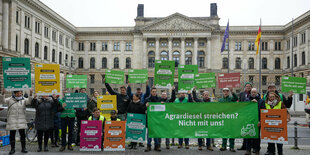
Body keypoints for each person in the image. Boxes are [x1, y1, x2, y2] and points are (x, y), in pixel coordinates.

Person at [1, 89, 33, 154]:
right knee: (12, 135)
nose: (20, 94)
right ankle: (12, 149)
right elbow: (2, 101)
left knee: (22, 135)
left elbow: (29, 102)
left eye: (21, 93)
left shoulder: (24, 99)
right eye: (18, 93)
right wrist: (3, 94)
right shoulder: (10, 99)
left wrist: (30, 94)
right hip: (12, 120)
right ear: (15, 93)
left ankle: (23, 148)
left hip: (21, 120)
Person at [192, 87, 214, 151]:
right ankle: (200, 145)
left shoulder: (211, 102)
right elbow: (195, 98)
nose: (206, 96)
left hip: (208, 120)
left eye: (207, 95)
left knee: (208, 133)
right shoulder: (200, 101)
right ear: (203, 96)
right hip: (201, 119)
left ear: (208, 96)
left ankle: (208, 145)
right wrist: (194, 91)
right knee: (200, 132)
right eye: (205, 95)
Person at [245, 88, 264, 155]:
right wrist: (250, 103)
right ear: (250, 93)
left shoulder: (261, 101)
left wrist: (261, 121)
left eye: (255, 92)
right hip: (249, 121)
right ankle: (248, 150)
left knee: (257, 137)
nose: (253, 93)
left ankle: (257, 150)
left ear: (257, 93)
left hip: (257, 122)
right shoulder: (247, 100)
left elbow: (262, 111)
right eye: (252, 92)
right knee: (248, 136)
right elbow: (245, 110)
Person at [219, 88, 238, 152]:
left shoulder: (231, 99)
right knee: (224, 132)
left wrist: (232, 92)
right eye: (224, 91)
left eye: (227, 91)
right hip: (223, 118)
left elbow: (236, 98)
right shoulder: (220, 100)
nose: (225, 92)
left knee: (231, 132)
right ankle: (223, 146)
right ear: (223, 92)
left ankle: (231, 147)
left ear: (228, 92)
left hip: (230, 118)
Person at [144, 87, 161, 152]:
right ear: (151, 92)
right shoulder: (147, 99)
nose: (154, 93)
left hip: (156, 119)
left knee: (156, 132)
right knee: (149, 133)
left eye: (155, 91)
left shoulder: (159, 99)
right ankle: (149, 146)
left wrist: (162, 104)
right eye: (153, 91)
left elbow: (163, 107)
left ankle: (157, 146)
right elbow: (143, 107)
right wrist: (146, 106)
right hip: (149, 119)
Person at [238, 82, 253, 151]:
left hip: (251, 115)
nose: (248, 87)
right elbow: (240, 103)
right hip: (244, 115)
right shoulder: (241, 94)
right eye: (247, 86)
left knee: (251, 130)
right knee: (244, 130)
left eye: (249, 86)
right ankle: (244, 146)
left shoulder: (254, 93)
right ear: (245, 87)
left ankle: (251, 146)